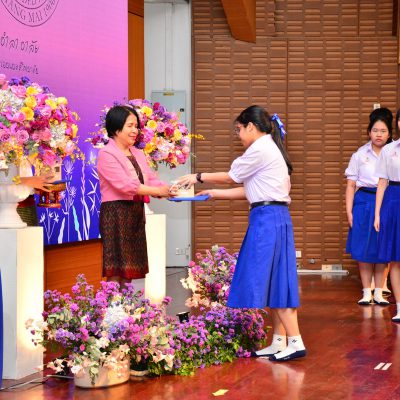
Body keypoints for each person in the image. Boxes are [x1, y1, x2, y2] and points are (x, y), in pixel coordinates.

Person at [177, 105, 306, 362]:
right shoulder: (269, 148)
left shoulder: (260, 149)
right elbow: (251, 190)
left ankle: (295, 342)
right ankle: (279, 341)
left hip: (267, 220)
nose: (238, 135)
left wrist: (197, 176)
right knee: (273, 280)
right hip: (271, 216)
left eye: (239, 129)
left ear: (251, 126)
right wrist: (214, 194)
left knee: (276, 281)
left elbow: (232, 177)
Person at [97, 105, 174, 286]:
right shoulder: (106, 154)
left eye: (136, 126)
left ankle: (126, 303)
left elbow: (150, 179)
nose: (135, 131)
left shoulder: (138, 153)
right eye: (130, 126)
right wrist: (157, 192)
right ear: (116, 128)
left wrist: (168, 189)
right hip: (116, 214)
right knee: (116, 269)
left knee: (129, 268)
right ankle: (111, 303)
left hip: (135, 213)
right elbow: (125, 185)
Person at [345, 108, 392, 306]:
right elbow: (350, 185)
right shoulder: (359, 155)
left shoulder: (394, 153)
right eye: (375, 130)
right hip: (363, 202)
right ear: (369, 132)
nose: (378, 134)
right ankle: (366, 291)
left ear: (389, 134)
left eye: (383, 131)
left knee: (382, 247)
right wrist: (349, 211)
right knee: (363, 248)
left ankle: (379, 291)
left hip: (387, 201)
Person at [374, 107, 400, 322]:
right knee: (395, 258)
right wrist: (377, 214)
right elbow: (382, 182)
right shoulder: (389, 150)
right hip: (393, 199)